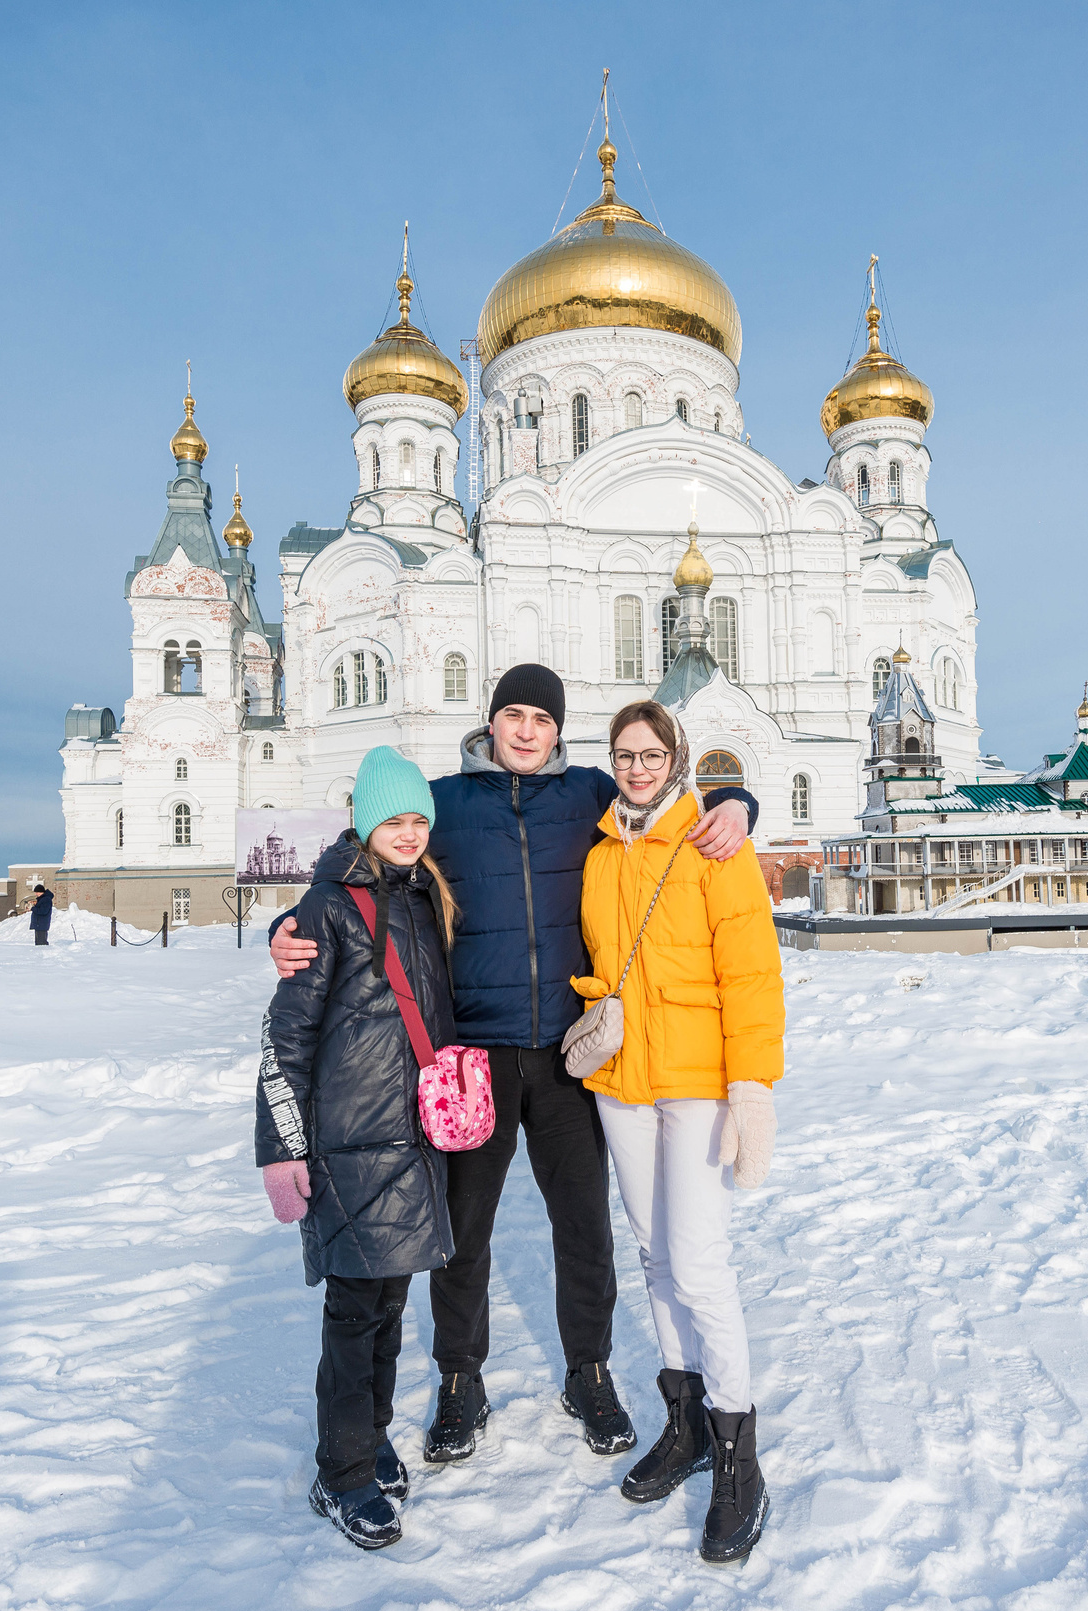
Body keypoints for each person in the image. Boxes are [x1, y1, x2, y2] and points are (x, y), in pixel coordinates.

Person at [268, 663, 759, 1465]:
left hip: (569, 1053)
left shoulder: (589, 793)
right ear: (491, 721)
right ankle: (460, 1380)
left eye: (542, 718)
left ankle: (589, 1370)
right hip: (475, 1056)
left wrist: (739, 801)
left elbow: (666, 793)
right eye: (514, 715)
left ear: (559, 729)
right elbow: (363, 846)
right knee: (464, 1231)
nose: (527, 730)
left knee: (585, 1226)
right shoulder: (447, 802)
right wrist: (292, 922)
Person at [576, 699, 784, 1565]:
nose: (636, 768)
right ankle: (686, 1421)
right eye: (624, 754)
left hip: (698, 1082)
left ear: (677, 758)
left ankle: (739, 1451)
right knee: (655, 1256)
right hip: (623, 1081)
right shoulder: (599, 851)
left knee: (698, 1262)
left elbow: (751, 969)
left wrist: (751, 1084)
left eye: (651, 754)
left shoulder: (714, 843)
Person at [255, 746, 460, 1551]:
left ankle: (369, 1439)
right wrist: (282, 1148)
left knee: (388, 1306)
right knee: (352, 1314)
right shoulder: (328, 907)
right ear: (365, 823)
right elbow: (286, 1035)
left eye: (419, 820)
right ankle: (339, 1472)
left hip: (410, 1143)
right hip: (346, 1147)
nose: (408, 833)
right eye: (393, 820)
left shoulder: (420, 897)